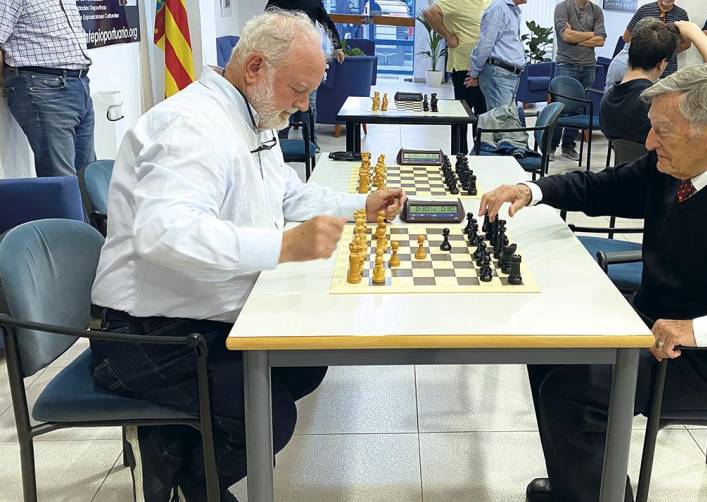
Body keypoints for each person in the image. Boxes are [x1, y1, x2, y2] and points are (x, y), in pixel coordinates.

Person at [480, 62, 707, 502]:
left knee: (573, 389)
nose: (648, 141)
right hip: (654, 324)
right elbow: (605, 187)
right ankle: (587, 487)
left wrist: (699, 329)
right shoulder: (677, 164)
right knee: (546, 347)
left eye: (662, 129)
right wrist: (534, 190)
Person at [89, 10, 406, 501]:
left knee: (305, 364)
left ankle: (182, 447)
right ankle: (189, 481)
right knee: (268, 418)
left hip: (201, 312)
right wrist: (283, 246)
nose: (303, 107)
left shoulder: (251, 115)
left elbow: (287, 196)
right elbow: (166, 233)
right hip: (145, 333)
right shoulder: (190, 127)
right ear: (256, 67)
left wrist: (358, 206)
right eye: (298, 90)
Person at [601, 20, 707, 145]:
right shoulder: (657, 101)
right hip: (666, 170)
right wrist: (695, 33)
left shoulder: (608, 100)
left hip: (631, 170)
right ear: (662, 63)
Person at [0, 0, 95, 178]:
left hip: (80, 83)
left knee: (88, 174)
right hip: (43, 87)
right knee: (61, 179)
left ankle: (83, 208)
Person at [266, 0, 346, 147]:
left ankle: (308, 142)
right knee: (289, 101)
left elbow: (326, 22)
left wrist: (338, 47)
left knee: (308, 104)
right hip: (286, 57)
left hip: (306, 57)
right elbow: (266, 21)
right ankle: (284, 142)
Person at [423, 0, 491, 152]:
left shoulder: (490, 2)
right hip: (463, 65)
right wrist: (448, 36)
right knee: (462, 115)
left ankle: (480, 154)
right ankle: (460, 157)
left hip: (486, 67)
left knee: (483, 116)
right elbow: (430, 13)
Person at [551, 0, 606, 161]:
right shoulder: (563, 7)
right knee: (559, 107)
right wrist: (590, 35)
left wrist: (575, 37)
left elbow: (601, 40)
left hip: (588, 66)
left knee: (578, 109)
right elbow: (565, 35)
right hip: (566, 63)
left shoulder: (596, 10)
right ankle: (551, 146)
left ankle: (569, 146)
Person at [466, 0, 528, 112]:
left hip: (509, 75)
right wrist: (475, 74)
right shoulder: (498, 8)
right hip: (499, 74)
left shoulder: (512, 11)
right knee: (499, 123)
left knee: (504, 122)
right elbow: (485, 45)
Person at [623, 0, 691, 79]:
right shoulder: (644, 10)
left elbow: (687, 43)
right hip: (644, 68)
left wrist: (668, 51)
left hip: (669, 70)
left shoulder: (681, 14)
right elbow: (626, 37)